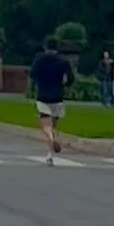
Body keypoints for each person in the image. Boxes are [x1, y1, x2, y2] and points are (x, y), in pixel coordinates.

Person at [28, 36, 74, 165]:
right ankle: (49, 155)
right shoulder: (63, 62)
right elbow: (70, 78)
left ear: (45, 47)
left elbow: (32, 74)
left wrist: (35, 84)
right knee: (53, 124)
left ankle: (52, 140)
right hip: (58, 96)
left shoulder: (39, 59)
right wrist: (64, 85)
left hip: (43, 95)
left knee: (46, 125)